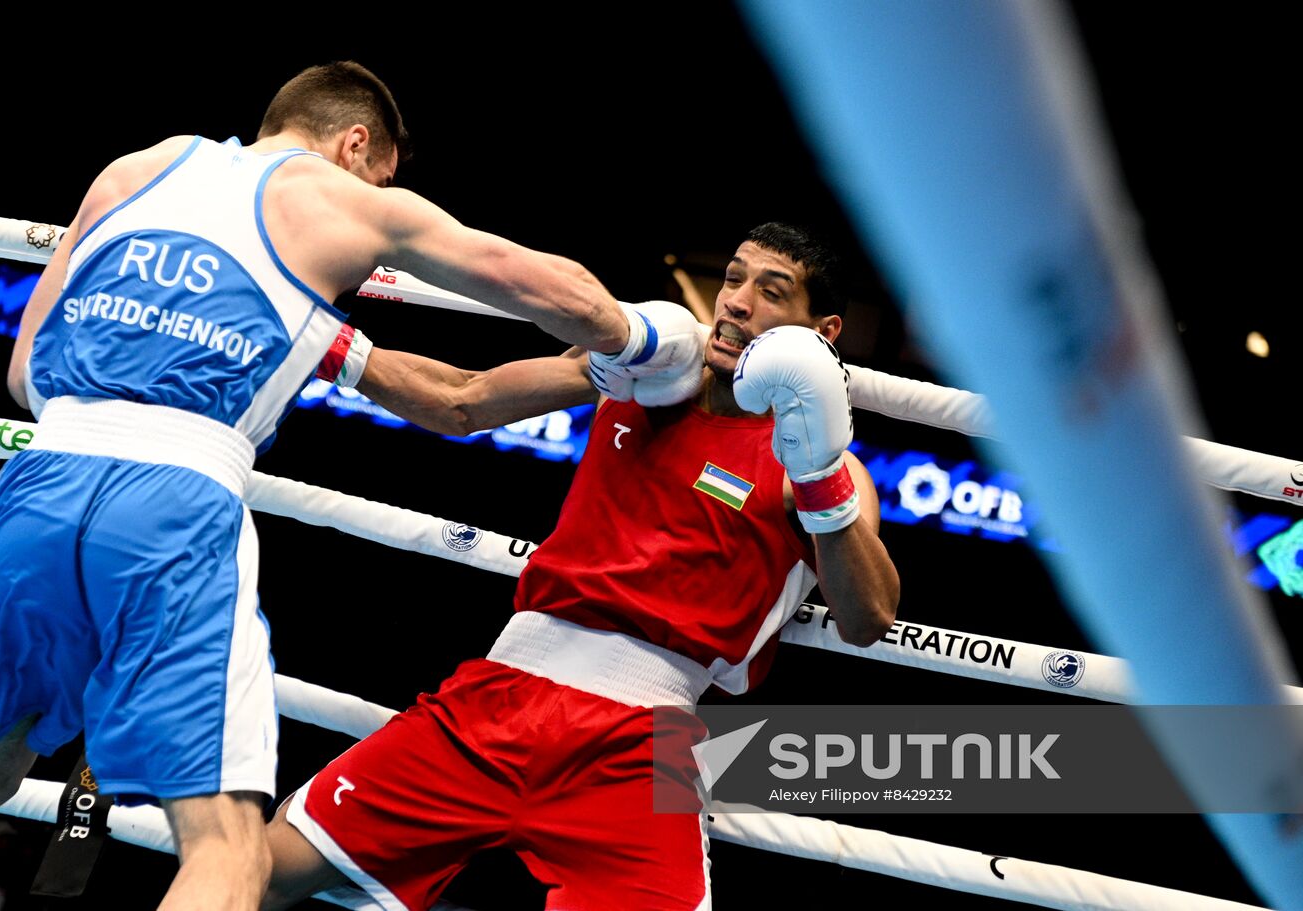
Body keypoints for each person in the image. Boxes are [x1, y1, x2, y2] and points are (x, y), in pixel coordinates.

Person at [0, 61, 676, 911]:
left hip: (40, 484)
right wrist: (647, 339)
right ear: (355, 145)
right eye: (381, 171)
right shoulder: (344, 201)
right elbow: (548, 287)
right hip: (172, 502)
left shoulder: (135, 169)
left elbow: (24, 371)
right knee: (229, 850)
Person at [261, 222, 901, 910]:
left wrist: (820, 478)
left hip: (639, 746)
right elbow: (463, 399)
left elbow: (869, 616)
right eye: (734, 279)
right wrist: (328, 345)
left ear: (823, 332)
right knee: (260, 870)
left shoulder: (819, 468)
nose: (736, 302)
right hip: (494, 698)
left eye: (770, 292)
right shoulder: (638, 378)